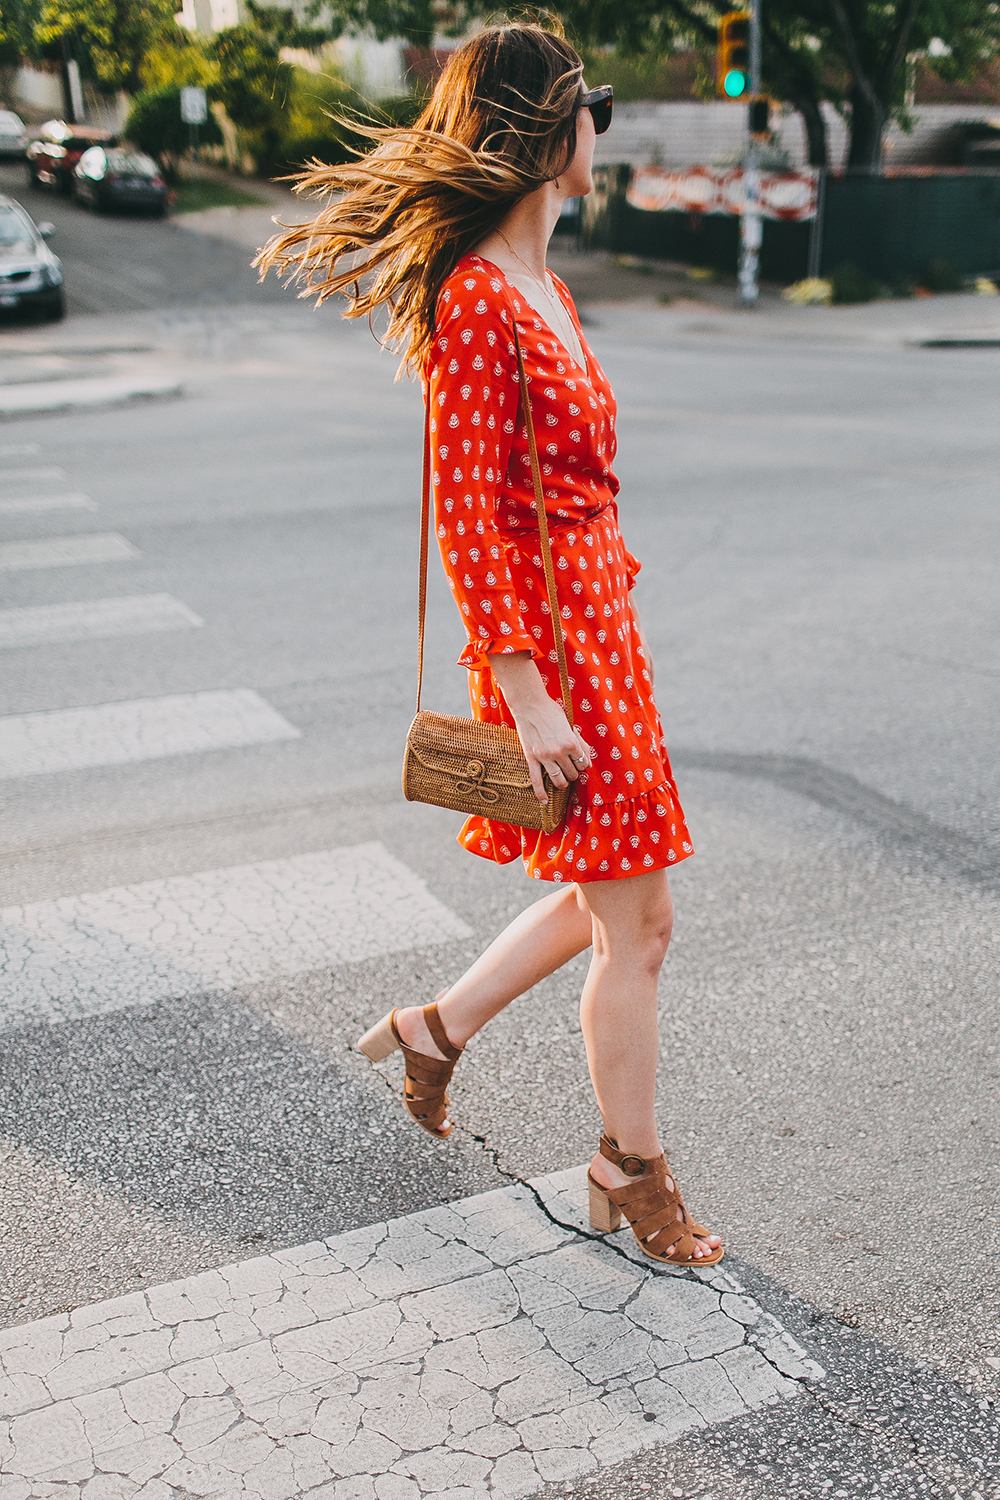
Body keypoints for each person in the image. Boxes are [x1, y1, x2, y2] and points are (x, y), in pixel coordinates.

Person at [258, 22, 722, 1265]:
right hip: (554, 660)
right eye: (594, 108)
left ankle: (434, 1031)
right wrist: (528, 698)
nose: (601, 132)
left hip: (599, 631)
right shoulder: (476, 298)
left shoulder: (546, 288)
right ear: (542, 131)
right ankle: (630, 1170)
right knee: (642, 926)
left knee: (599, 901)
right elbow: (471, 517)